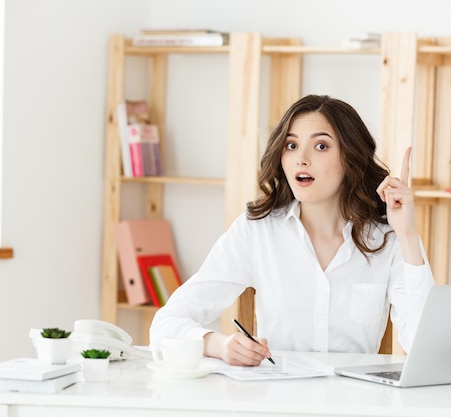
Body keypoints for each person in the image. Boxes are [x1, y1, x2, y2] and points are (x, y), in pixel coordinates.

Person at [150, 94, 434, 366]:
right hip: (277, 400)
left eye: (321, 146)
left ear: (351, 158)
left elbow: (426, 349)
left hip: (354, 403)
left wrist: (407, 235)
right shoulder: (256, 231)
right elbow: (166, 325)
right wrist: (219, 345)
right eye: (291, 145)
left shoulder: (389, 237)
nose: (302, 159)